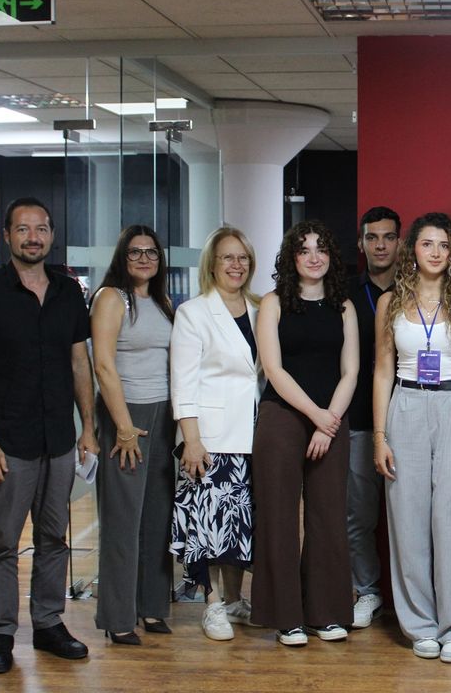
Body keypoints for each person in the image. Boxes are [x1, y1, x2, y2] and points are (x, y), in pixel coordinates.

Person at [0, 197, 97, 674]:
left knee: (53, 537)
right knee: (2, 541)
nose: (33, 237)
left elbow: (79, 362)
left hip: (58, 437)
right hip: (8, 441)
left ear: (51, 235)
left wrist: (88, 428)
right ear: (7, 236)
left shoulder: (68, 292)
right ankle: (1, 633)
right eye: (23, 229)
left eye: (41, 228)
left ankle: (48, 624)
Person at [374, 212, 451, 664]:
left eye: (444, 245)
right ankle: (420, 625)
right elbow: (382, 372)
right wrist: (380, 436)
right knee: (407, 520)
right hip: (405, 405)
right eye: (427, 244)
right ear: (413, 251)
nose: (436, 252)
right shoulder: (390, 303)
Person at [251, 220, 359, 647]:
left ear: (331, 256)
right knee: (278, 517)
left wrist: (328, 421)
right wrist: (316, 415)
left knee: (328, 515)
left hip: (331, 419)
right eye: (304, 250)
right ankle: (286, 618)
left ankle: (325, 613)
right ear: (291, 258)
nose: (314, 257)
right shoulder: (273, 303)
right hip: (283, 416)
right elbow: (273, 370)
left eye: (321, 249)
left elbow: (351, 371)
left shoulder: (343, 306)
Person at [169, 226, 264, 641]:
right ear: (212, 264)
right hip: (209, 437)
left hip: (253, 432)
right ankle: (211, 605)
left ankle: (235, 600)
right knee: (207, 525)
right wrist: (191, 440)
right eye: (228, 257)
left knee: (238, 524)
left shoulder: (261, 308)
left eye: (242, 257)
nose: (236, 265)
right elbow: (183, 382)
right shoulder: (193, 313)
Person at [90, 225, 176, 645]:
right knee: (123, 521)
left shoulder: (161, 301)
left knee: (158, 517)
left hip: (163, 415)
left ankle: (152, 607)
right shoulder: (111, 297)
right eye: (135, 252)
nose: (144, 259)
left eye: (151, 252)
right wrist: (123, 426)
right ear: (122, 257)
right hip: (127, 416)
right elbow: (103, 365)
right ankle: (118, 616)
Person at [345, 206, 402, 629]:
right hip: (361, 420)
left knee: (413, 517)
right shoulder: (346, 292)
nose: (380, 245)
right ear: (361, 243)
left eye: (388, 237)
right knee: (359, 517)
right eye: (372, 237)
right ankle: (368, 591)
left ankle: (412, 597)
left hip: (412, 418)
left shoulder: (418, 289)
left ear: (400, 242)